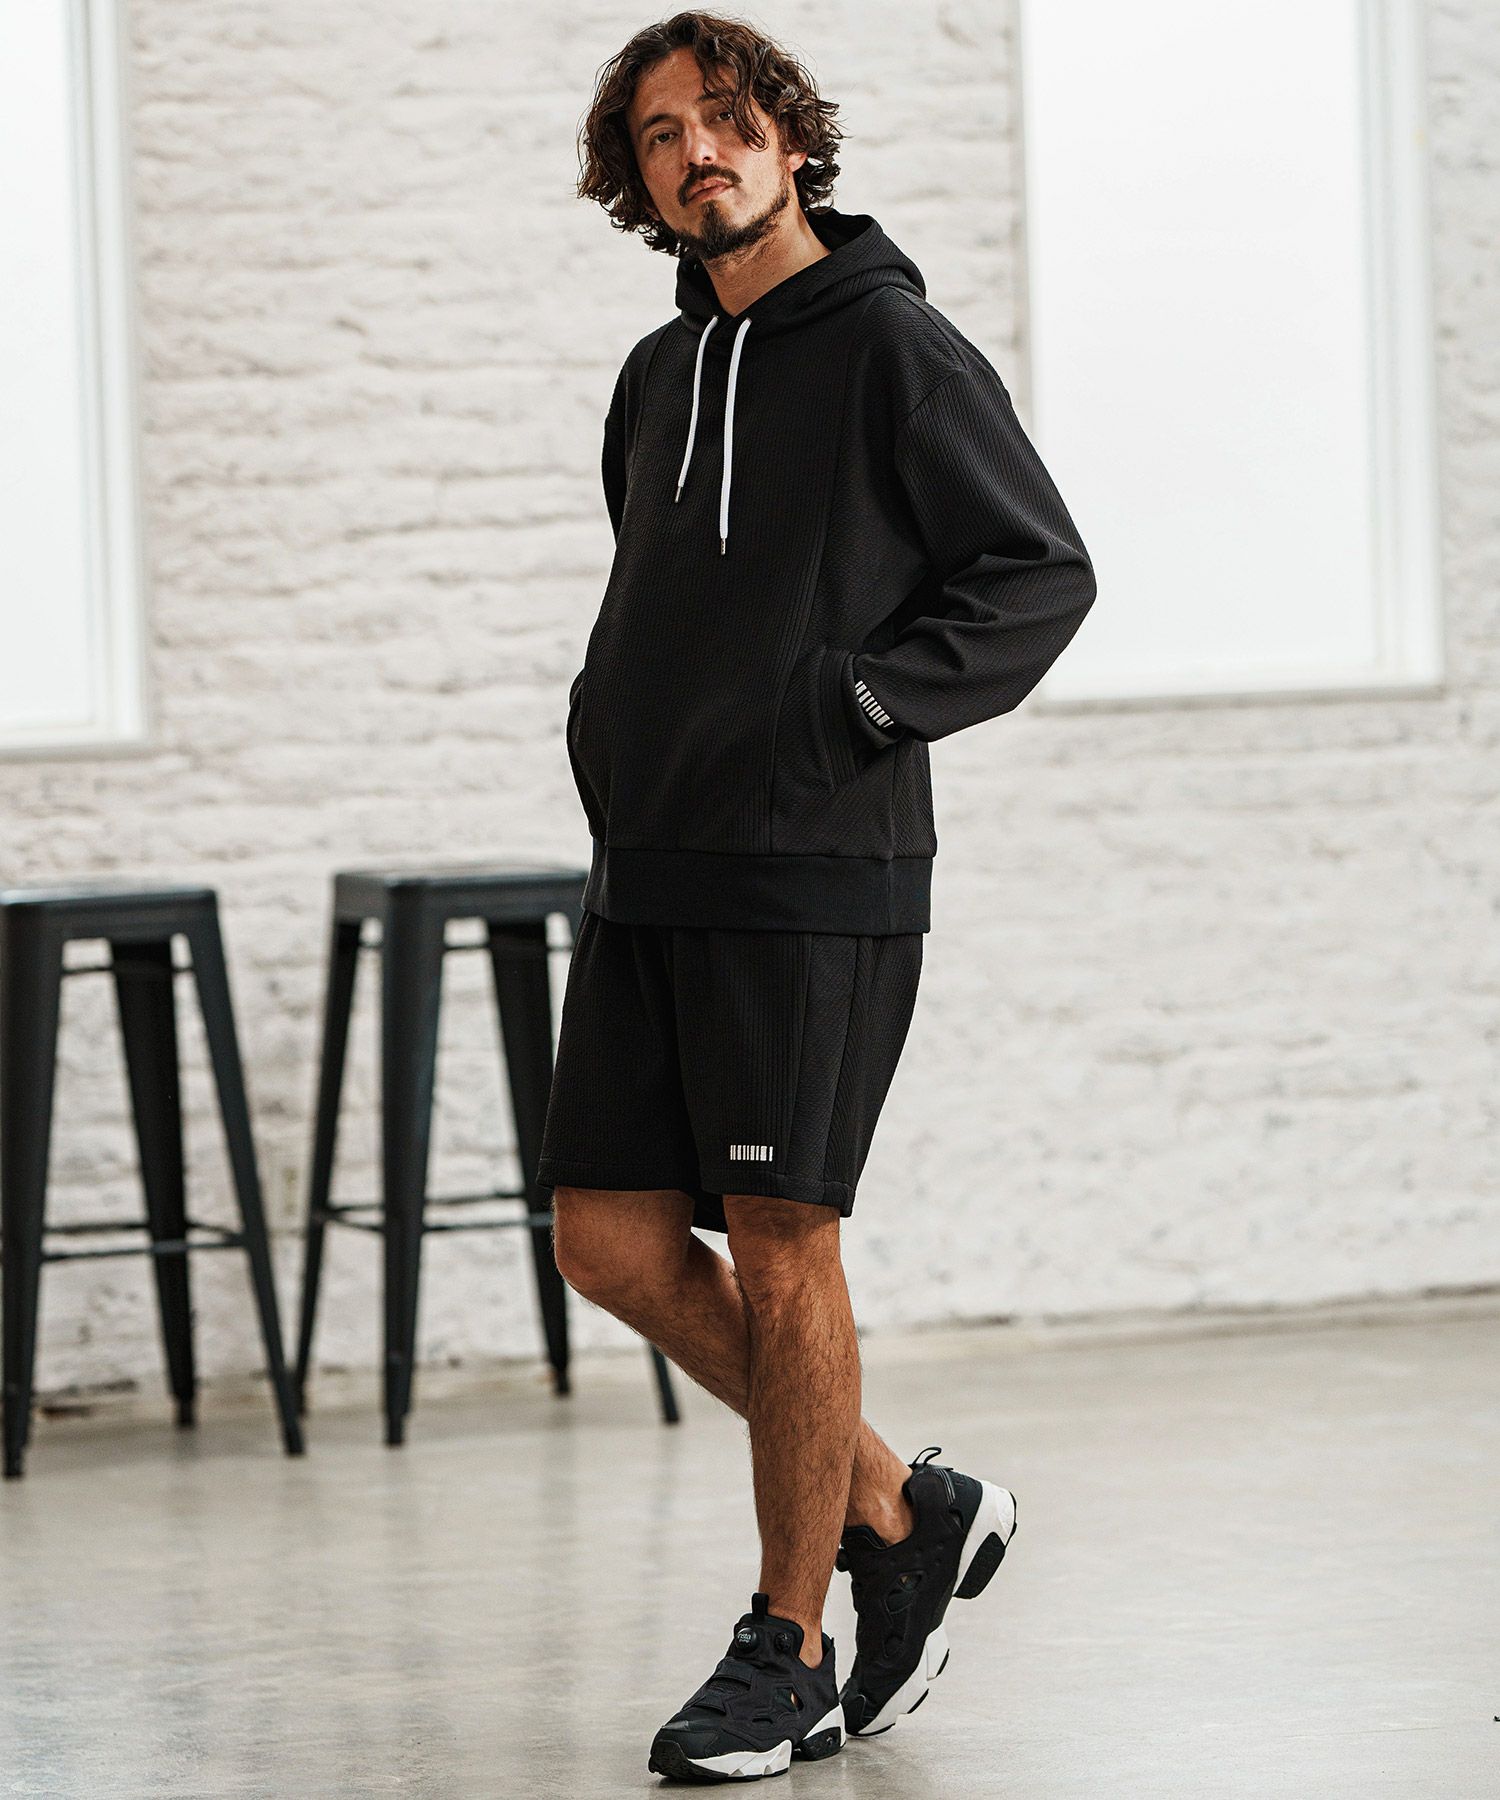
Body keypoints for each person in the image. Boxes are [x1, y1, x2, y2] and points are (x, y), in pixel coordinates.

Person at [536, 10, 1096, 1781]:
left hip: (814, 868)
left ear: (789, 138)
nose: (697, 151)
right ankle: (901, 1511)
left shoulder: (892, 348)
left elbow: (1038, 572)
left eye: (725, 118)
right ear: (636, 182)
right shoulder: (656, 376)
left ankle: (787, 1644)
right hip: (655, 864)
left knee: (785, 1246)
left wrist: (852, 707)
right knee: (605, 1239)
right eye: (660, 135)